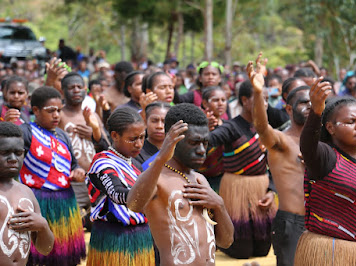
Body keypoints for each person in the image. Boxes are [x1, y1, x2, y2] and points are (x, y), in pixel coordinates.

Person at [295, 80, 356, 265]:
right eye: (351, 121)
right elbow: (307, 145)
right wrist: (316, 112)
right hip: (331, 252)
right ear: (330, 127)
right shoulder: (325, 157)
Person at [127, 103, 234, 265]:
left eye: (205, 143)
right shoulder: (157, 178)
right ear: (173, 139)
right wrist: (161, 156)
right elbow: (133, 204)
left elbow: (226, 242)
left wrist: (219, 205)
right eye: (194, 142)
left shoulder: (200, 179)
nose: (201, 150)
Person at [246, 53, 309, 266]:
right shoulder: (281, 140)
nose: (309, 106)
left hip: (323, 222)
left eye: (313, 102)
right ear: (289, 109)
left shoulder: (326, 142)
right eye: (303, 103)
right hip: (292, 223)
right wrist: (257, 92)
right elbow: (261, 127)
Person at [207, 80, 276, 259]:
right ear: (244, 100)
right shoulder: (231, 127)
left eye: (267, 99)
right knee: (241, 251)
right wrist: (203, 130)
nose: (265, 104)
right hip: (235, 189)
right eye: (260, 99)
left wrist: (272, 190)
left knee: (263, 249)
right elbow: (206, 143)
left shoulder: (267, 129)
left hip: (262, 188)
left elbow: (277, 163)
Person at [19, 86, 86, 266]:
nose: (56, 115)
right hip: (37, 200)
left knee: (63, 255)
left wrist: (77, 171)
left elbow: (73, 164)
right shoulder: (26, 132)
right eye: (51, 111)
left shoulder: (63, 135)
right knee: (36, 255)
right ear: (35, 110)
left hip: (65, 201)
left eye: (59, 110)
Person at [86, 107, 155, 265]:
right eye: (132, 139)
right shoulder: (103, 163)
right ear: (115, 136)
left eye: (142, 137)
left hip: (140, 236)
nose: (138, 144)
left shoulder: (133, 164)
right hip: (114, 236)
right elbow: (117, 194)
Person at [0, 122, 54, 266]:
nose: (13, 159)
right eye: (4, 153)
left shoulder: (26, 192)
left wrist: (43, 226)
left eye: (18, 153)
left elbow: (45, 249)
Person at [58, 72, 106, 230]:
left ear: (86, 90)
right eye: (71, 87)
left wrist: (93, 134)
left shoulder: (93, 116)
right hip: (71, 181)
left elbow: (107, 145)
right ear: (63, 90)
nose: (76, 90)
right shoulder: (59, 115)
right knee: (70, 228)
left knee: (99, 225)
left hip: (96, 181)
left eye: (79, 87)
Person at [135, 102, 171, 168]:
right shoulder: (136, 152)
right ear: (145, 122)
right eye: (154, 121)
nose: (159, 126)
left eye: (164, 121)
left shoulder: (177, 153)